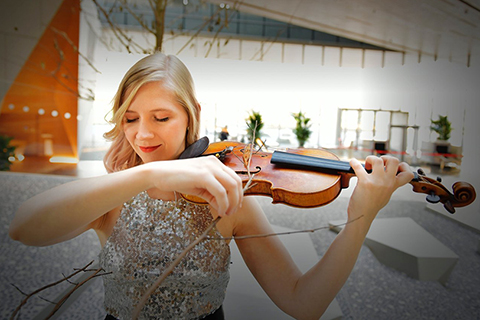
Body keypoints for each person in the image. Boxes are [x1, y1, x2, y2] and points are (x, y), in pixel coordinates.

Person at [9, 52, 414, 320]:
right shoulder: (115, 193)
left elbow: (302, 301)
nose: (142, 134)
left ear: (191, 115)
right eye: (130, 118)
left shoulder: (228, 195)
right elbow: (23, 228)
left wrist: (361, 215)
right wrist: (150, 173)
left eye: (161, 117)